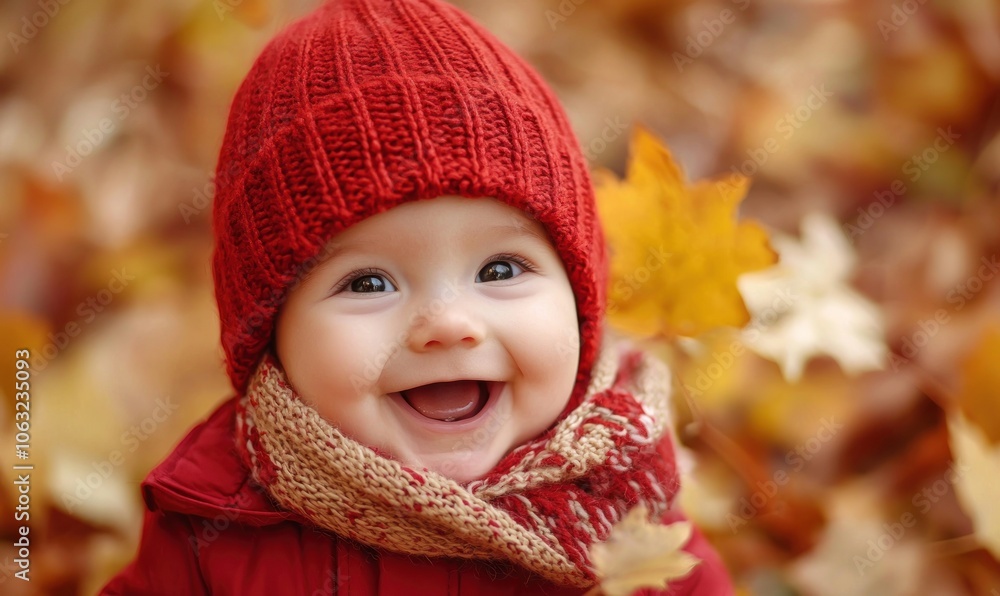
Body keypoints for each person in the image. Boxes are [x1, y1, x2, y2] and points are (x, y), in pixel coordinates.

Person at [102, 0, 733, 593]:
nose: (450, 324)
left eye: (501, 269)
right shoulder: (215, 525)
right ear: (268, 335)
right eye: (369, 283)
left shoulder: (625, 500)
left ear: (579, 298)